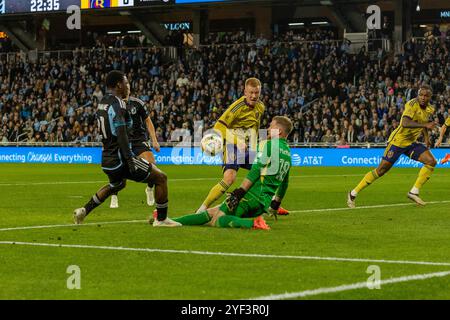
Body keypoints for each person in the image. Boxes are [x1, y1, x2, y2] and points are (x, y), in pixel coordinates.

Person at [73, 70, 179, 227]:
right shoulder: (119, 104)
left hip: (107, 159)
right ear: (119, 85)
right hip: (121, 158)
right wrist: (130, 160)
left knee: (117, 185)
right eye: (126, 82)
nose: (128, 86)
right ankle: (161, 219)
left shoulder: (103, 102)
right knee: (161, 178)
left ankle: (84, 210)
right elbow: (122, 134)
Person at [167, 116, 293, 230]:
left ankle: (254, 223)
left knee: (217, 220)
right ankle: (169, 221)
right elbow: (284, 184)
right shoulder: (288, 153)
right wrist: (275, 205)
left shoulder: (269, 145)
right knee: (211, 213)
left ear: (279, 131)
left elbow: (255, 170)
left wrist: (239, 193)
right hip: (262, 203)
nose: (268, 128)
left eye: (271, 126)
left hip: (250, 197)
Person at [196, 77, 289, 216]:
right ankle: (202, 209)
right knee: (229, 179)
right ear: (245, 91)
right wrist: (236, 141)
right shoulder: (236, 107)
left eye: (256, 93)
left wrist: (261, 140)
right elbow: (218, 126)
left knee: (270, 169)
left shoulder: (260, 106)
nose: (254, 96)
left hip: (248, 146)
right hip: (232, 146)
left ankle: (271, 204)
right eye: (251, 92)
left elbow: (254, 125)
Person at [347, 84, 437, 207]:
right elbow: (405, 123)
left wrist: (426, 138)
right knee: (381, 170)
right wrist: (425, 126)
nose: (422, 97)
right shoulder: (411, 105)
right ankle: (353, 193)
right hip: (397, 142)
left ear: (430, 97)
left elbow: (424, 122)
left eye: (426, 96)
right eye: (420, 95)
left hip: (411, 143)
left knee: (431, 161)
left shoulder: (430, 109)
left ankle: (414, 192)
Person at [109, 89, 161, 209]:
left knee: (152, 165)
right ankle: (114, 195)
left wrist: (154, 140)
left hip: (138, 139)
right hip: (121, 139)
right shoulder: (114, 106)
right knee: (117, 169)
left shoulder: (137, 103)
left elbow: (148, 121)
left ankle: (149, 188)